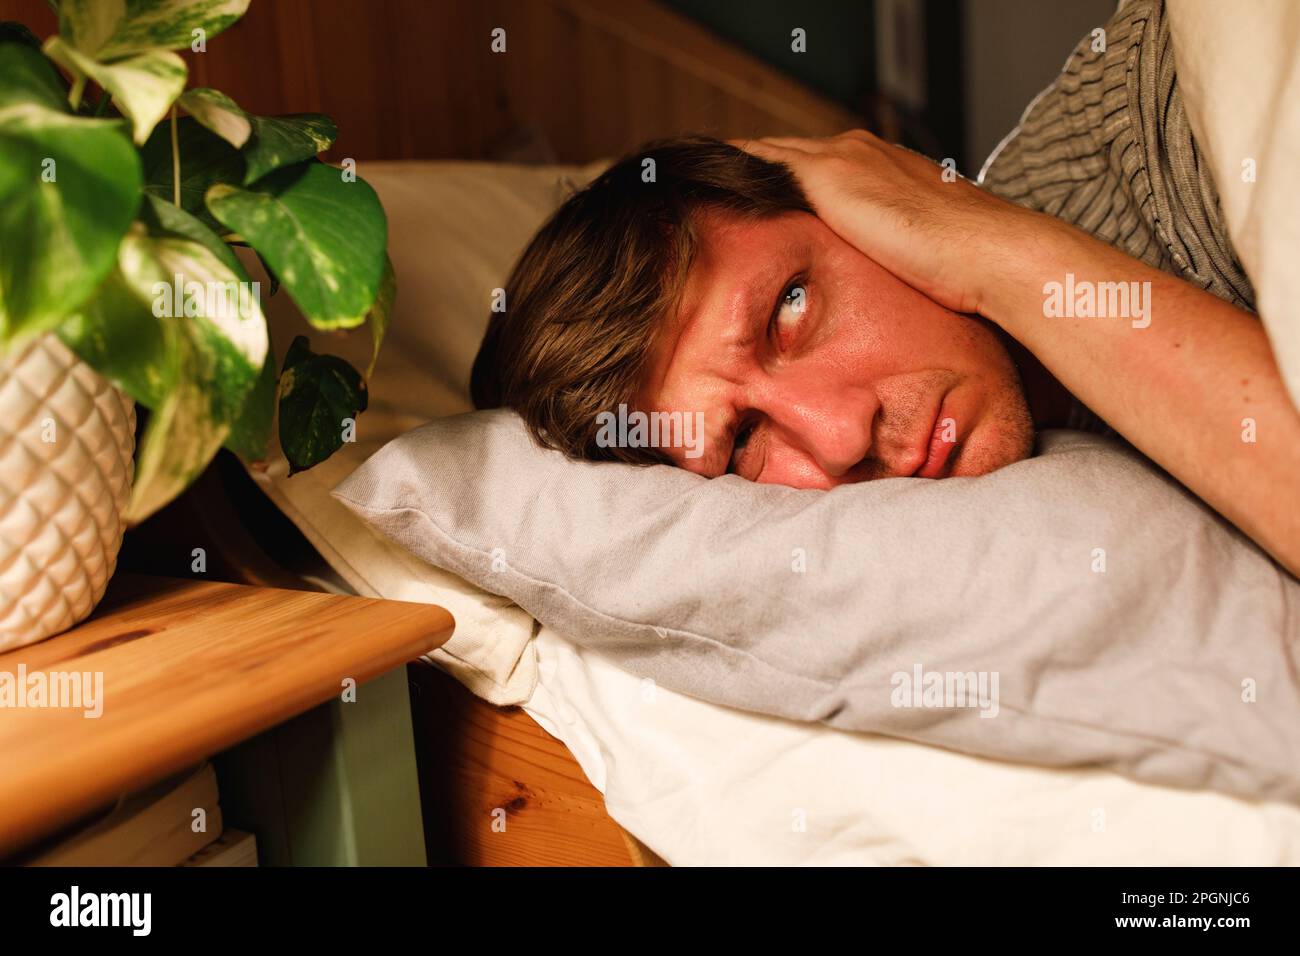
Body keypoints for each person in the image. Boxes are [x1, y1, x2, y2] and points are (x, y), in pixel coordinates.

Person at [472, 28, 1300, 580]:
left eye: (790, 308)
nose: (841, 437)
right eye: (743, 442)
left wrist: (997, 252)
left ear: (848, 197)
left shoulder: (1167, 127)